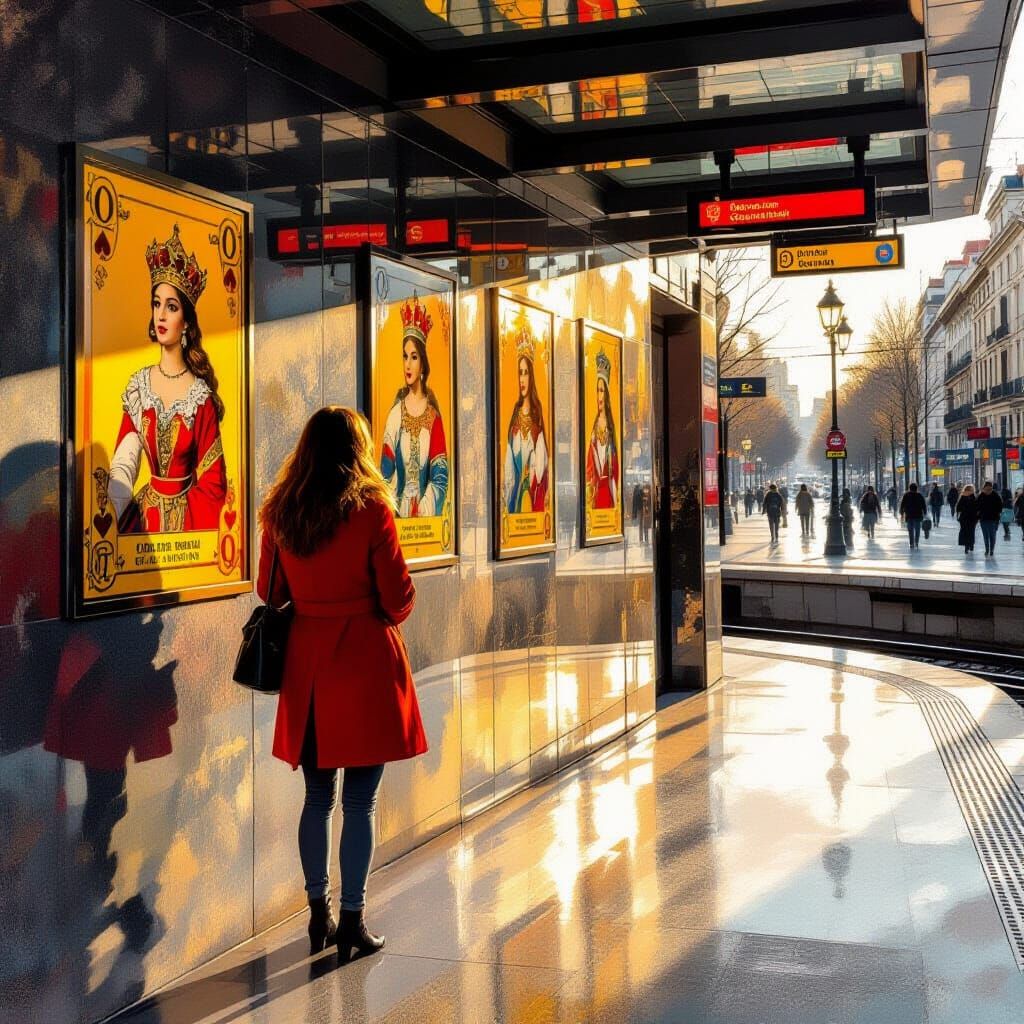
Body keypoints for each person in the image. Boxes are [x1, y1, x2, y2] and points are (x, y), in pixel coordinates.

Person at [258, 407, 429, 962]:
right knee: (360, 802)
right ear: (356, 451)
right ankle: (353, 920)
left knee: (316, 797)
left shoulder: (280, 512)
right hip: (366, 669)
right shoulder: (372, 511)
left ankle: (319, 914)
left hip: (308, 669)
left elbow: (270, 592)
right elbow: (398, 600)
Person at [108, 225, 227, 533]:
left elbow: (214, 484)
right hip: (143, 519)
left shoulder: (199, 398)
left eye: (171, 307)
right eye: (156, 303)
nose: (160, 315)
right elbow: (125, 459)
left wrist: (183, 523)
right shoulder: (139, 387)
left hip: (186, 526)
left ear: (185, 321)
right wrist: (116, 506)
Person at [381, 295, 449, 518]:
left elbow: (440, 477)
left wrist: (424, 507)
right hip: (399, 521)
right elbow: (384, 474)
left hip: (425, 524)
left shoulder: (433, 417)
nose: (407, 365)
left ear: (423, 365)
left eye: (413, 357)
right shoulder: (395, 415)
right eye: (404, 357)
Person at [503, 335, 549, 515]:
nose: (522, 379)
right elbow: (509, 460)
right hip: (514, 497)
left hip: (531, 496)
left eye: (525, 372)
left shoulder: (537, 416)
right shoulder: (515, 414)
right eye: (519, 373)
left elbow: (541, 464)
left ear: (531, 375)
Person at [585, 352, 619, 511]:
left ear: (606, 393)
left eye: (602, 391)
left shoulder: (611, 428)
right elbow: (589, 464)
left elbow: (615, 466)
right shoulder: (593, 428)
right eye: (597, 390)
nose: (599, 395)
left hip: (608, 493)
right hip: (596, 492)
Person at [977, 481, 1004, 557]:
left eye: (990, 488)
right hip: (988, 519)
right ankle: (989, 550)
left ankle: (989, 550)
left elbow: (1000, 506)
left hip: (989, 519)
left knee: (989, 535)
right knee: (989, 536)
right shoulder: (985, 495)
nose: (988, 490)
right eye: (987, 488)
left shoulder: (991, 495)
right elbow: (1000, 506)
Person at [898, 482, 927, 550]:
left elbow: (902, 504)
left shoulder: (906, 495)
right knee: (917, 530)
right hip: (918, 516)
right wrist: (925, 513)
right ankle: (916, 542)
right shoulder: (919, 495)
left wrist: (901, 513)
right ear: (916, 488)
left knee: (910, 530)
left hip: (909, 516)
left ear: (909, 488)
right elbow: (924, 505)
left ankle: (911, 543)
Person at [956, 483, 979, 555]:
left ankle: (967, 546)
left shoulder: (963, 497)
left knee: (965, 531)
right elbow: (977, 507)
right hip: (973, 518)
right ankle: (971, 544)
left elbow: (958, 508)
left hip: (964, 517)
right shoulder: (974, 497)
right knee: (971, 531)